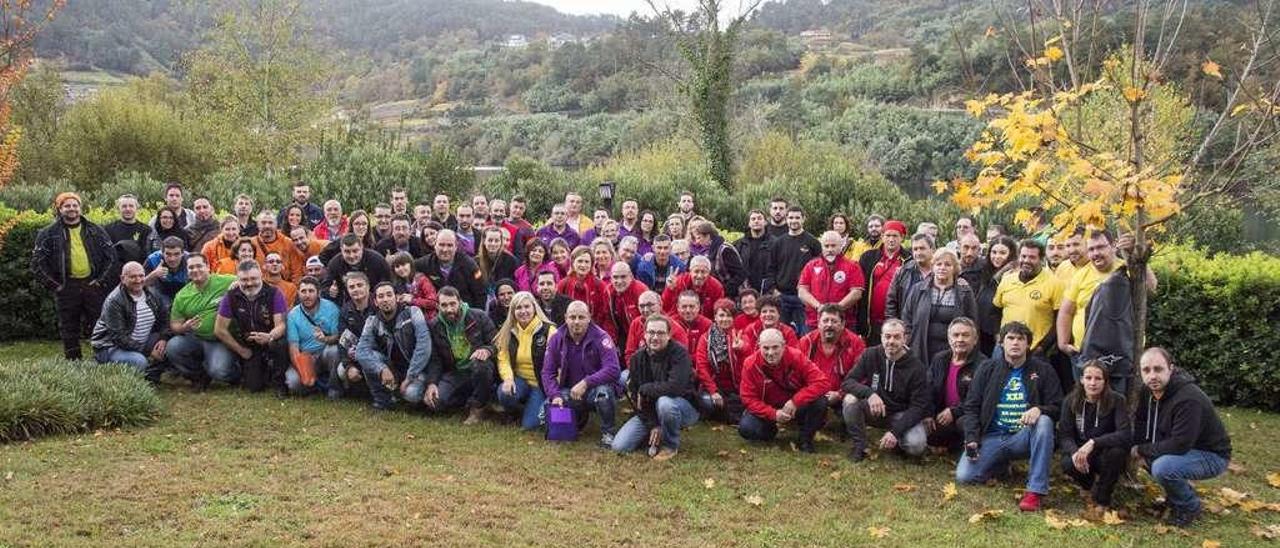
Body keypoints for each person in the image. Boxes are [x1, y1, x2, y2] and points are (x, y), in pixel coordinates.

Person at [956, 322, 1063, 513]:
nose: (1015, 343)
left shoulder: (1043, 370)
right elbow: (971, 407)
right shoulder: (987, 368)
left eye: (1020, 339)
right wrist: (971, 438)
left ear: (1028, 344)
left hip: (1023, 437)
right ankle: (1000, 465)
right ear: (1001, 343)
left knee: (1045, 421)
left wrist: (1040, 409)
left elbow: (1058, 406)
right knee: (964, 477)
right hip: (992, 436)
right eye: (1010, 338)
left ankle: (1035, 492)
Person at [1130, 347, 1232, 527]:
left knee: (1163, 467)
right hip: (1184, 449)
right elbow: (1142, 421)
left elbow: (1180, 445)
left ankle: (1189, 506)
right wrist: (1139, 446)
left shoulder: (1188, 399)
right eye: (1146, 370)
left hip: (1211, 455)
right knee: (1152, 459)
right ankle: (1176, 498)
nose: (1152, 376)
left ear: (1171, 368)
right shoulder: (1148, 392)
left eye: (1158, 369)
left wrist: (1141, 450)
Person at [32, 192, 117, 360]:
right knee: (69, 327)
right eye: (67, 206)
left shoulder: (95, 230)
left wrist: (100, 281)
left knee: (98, 324)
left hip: (92, 284)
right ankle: (73, 363)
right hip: (66, 285)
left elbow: (112, 257)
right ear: (59, 209)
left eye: (75, 205)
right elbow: (37, 264)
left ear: (80, 207)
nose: (72, 209)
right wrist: (55, 286)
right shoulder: (48, 233)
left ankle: (101, 360)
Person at [840, 319, 930, 462]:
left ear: (905, 338)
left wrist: (895, 432)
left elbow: (918, 407)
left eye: (896, 337)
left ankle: (897, 442)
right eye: (887, 336)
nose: (891, 341)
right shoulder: (870, 354)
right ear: (881, 336)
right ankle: (860, 446)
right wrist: (870, 394)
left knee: (916, 446)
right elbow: (848, 382)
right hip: (876, 410)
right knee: (849, 399)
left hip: (901, 414)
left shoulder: (917, 367)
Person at [613, 314, 699, 460]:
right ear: (644, 334)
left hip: (681, 407)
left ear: (669, 335)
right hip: (650, 412)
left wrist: (645, 388)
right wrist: (653, 424)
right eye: (651, 332)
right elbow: (636, 398)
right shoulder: (636, 359)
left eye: (660, 333)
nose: (655, 337)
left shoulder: (680, 354)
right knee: (620, 446)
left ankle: (670, 445)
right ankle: (656, 431)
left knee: (664, 402)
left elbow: (675, 388)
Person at [542, 301, 622, 447]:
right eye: (572, 317)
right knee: (548, 406)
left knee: (603, 394)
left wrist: (586, 383)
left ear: (589, 317)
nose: (576, 321)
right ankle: (576, 422)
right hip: (571, 391)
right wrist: (555, 395)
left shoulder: (602, 337)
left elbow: (613, 369)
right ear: (566, 318)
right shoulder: (556, 338)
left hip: (595, 390)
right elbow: (547, 372)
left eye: (581, 317)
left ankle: (608, 433)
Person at [738, 328, 829, 452]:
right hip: (768, 408)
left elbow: (822, 382)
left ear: (783, 345)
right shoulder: (750, 364)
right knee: (746, 428)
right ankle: (771, 431)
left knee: (820, 401)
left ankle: (805, 439)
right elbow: (748, 398)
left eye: (775, 347)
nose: (770, 352)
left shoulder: (796, 356)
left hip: (795, 406)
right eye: (766, 348)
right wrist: (773, 414)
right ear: (759, 346)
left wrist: (795, 401)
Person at [1057, 360, 1130, 512]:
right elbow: (1064, 435)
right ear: (1082, 379)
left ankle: (1103, 499)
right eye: (1088, 378)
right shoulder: (1070, 401)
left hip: (1104, 451)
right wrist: (1074, 451)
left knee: (1117, 453)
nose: (1093, 383)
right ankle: (1088, 484)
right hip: (1082, 451)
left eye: (1098, 378)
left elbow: (1125, 434)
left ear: (1105, 381)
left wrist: (1094, 443)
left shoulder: (1117, 400)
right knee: (1068, 463)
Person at [213, 260, 290, 395]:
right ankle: (259, 370)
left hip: (271, 339)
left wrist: (269, 337)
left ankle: (280, 383)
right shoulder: (231, 296)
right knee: (253, 387)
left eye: (253, 278)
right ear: (237, 278)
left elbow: (281, 325)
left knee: (279, 343)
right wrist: (241, 350)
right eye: (244, 280)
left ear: (261, 274)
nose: (249, 283)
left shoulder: (274, 293)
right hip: (249, 345)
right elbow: (219, 329)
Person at [423, 287, 498, 424]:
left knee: (480, 364)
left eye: (453, 304)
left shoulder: (478, 316)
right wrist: (432, 383)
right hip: (456, 371)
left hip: (479, 366)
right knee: (435, 403)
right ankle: (473, 400)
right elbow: (435, 359)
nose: (449, 309)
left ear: (460, 302)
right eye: (444, 305)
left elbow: (496, 342)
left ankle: (478, 408)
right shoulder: (434, 325)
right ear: (438, 306)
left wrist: (487, 350)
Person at [355, 282, 432, 410]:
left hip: (417, 370)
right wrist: (381, 369)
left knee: (411, 394)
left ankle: (414, 397)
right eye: (380, 296)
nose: (385, 299)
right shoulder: (372, 321)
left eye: (389, 295)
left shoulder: (413, 313)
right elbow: (361, 351)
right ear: (375, 301)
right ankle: (382, 401)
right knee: (370, 357)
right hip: (392, 369)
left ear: (397, 298)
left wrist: (410, 376)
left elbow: (424, 347)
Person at [166, 254, 238, 389]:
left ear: (208, 267)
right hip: (196, 338)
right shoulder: (182, 295)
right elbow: (174, 324)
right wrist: (183, 328)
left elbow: (249, 280)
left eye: (199, 266)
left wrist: (238, 283)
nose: (195, 270)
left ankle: (237, 373)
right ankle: (199, 376)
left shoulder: (225, 281)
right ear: (187, 271)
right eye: (191, 267)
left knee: (219, 371)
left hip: (220, 339)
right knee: (173, 346)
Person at [89, 262, 170, 377]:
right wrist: (148, 351)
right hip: (110, 346)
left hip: (140, 341)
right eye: (133, 277)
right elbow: (118, 337)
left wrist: (163, 338)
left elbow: (164, 319)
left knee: (170, 346)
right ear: (123, 278)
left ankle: (151, 374)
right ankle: (106, 369)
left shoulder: (152, 294)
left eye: (141, 276)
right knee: (139, 361)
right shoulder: (114, 301)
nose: (138, 280)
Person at [993, 239, 1064, 369]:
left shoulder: (1054, 283)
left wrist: (1042, 347)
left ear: (1041, 260)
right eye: (1023, 256)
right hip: (1004, 349)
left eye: (1032, 257)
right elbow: (996, 310)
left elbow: (1059, 320)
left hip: (1035, 352)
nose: (1026, 260)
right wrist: (999, 336)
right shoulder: (1007, 280)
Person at [900, 248, 977, 362]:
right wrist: (909, 343)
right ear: (933, 267)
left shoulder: (964, 292)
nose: (942, 268)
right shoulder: (918, 289)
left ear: (955, 268)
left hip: (952, 352)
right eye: (938, 264)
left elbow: (973, 323)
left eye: (947, 265)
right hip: (921, 349)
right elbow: (907, 318)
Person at [495, 291, 557, 430]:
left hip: (541, 385)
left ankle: (531, 407)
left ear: (534, 308)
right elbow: (502, 359)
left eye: (527, 307)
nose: (523, 311)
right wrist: (508, 379)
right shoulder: (508, 331)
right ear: (513, 311)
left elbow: (556, 364)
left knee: (530, 425)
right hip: (520, 381)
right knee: (504, 393)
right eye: (518, 308)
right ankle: (514, 412)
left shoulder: (549, 330)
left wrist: (554, 391)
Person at [925, 317, 987, 450]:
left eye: (965, 335)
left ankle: (971, 448)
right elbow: (928, 389)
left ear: (975, 340)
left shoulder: (984, 364)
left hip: (968, 417)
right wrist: (928, 413)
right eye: (956, 335)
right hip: (942, 417)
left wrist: (954, 412)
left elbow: (979, 400)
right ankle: (953, 445)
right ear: (949, 339)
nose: (960, 339)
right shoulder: (939, 359)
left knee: (963, 423)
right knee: (925, 433)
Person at [798, 304, 866, 421]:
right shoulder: (806, 342)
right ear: (818, 323)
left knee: (852, 402)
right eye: (825, 321)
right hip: (812, 395)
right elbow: (795, 374)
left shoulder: (856, 343)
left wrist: (840, 394)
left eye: (834, 321)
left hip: (843, 395)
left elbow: (862, 376)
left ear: (843, 324)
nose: (829, 325)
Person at [798, 230, 865, 332]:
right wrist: (819, 306)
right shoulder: (811, 265)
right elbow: (802, 291)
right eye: (826, 246)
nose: (830, 249)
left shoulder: (853, 266)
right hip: (814, 321)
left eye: (833, 246)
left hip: (844, 322)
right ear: (822, 247)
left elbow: (856, 293)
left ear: (841, 246)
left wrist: (837, 309)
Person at [769, 206, 821, 335]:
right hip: (782, 296)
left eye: (797, 217)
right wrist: (774, 290)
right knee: (780, 335)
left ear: (803, 219)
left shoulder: (812, 242)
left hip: (804, 298)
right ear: (786, 219)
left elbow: (820, 270)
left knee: (806, 335)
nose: (794, 220)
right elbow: (771, 268)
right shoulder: (778, 243)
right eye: (791, 217)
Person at [285, 277, 341, 395]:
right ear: (298, 293)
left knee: (334, 351)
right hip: (307, 356)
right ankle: (316, 384)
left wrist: (324, 339)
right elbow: (293, 347)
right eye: (303, 291)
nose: (307, 295)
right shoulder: (293, 315)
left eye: (311, 291)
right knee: (293, 383)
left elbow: (337, 337)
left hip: (325, 351)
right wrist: (302, 368)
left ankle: (334, 388)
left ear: (318, 292)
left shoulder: (331, 308)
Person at [694, 298, 745, 424]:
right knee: (708, 402)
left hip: (735, 387)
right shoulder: (705, 338)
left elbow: (747, 354)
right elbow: (701, 367)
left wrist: (740, 349)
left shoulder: (739, 335)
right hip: (713, 385)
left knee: (742, 401)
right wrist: (713, 391)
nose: (725, 319)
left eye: (729, 315)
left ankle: (728, 412)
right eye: (721, 315)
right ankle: (729, 412)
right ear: (715, 317)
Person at [857, 219, 908, 343]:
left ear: (902, 238)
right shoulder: (868, 257)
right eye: (888, 235)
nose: (891, 239)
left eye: (895, 236)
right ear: (882, 237)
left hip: (896, 319)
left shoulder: (908, 259)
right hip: (871, 320)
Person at [414, 230, 486, 309]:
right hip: (434, 313)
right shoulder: (422, 265)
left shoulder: (470, 266)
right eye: (441, 245)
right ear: (435, 245)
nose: (445, 250)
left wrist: (475, 318)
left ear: (456, 246)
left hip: (463, 313)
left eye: (449, 245)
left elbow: (480, 295)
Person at [332, 273, 374, 399]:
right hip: (355, 354)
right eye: (351, 287)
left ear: (368, 287)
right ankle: (337, 389)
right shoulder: (345, 310)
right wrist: (348, 366)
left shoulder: (379, 304)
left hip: (378, 354)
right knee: (341, 370)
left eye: (359, 285)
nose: (356, 289)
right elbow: (343, 341)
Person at [623, 290, 689, 367]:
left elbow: (681, 358)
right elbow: (629, 354)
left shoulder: (675, 328)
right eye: (642, 306)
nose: (646, 310)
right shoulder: (635, 324)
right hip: (640, 370)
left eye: (650, 305)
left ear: (660, 305)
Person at [976, 236, 1016, 354]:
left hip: (999, 333)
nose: (997, 256)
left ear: (1011, 253)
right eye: (994, 252)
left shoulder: (1013, 275)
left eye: (1002, 253)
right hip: (982, 330)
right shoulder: (986, 272)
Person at [557, 247, 610, 330]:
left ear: (592, 264)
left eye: (587, 262)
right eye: (580, 261)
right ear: (572, 263)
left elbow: (605, 314)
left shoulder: (600, 285)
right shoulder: (563, 284)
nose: (583, 265)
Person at [885, 233, 935, 321]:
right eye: (915, 249)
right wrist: (894, 324)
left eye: (922, 248)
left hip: (932, 326)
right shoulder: (903, 272)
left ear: (932, 249)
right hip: (907, 327)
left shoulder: (941, 271)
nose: (918, 252)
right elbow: (891, 302)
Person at [689, 221, 745, 297]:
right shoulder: (712, 250)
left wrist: (724, 289)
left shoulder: (725, 250)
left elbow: (740, 274)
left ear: (708, 236)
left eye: (699, 238)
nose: (697, 241)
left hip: (728, 295)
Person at [661, 255, 724, 320]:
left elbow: (718, 312)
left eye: (703, 272)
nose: (699, 276)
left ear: (709, 273)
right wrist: (670, 290)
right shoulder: (679, 282)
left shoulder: (716, 287)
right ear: (690, 271)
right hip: (679, 321)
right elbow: (665, 307)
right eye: (696, 271)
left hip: (705, 323)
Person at [605, 261, 647, 351]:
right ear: (611, 278)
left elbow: (648, 319)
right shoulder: (608, 292)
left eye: (623, 277)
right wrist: (612, 342)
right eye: (615, 277)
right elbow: (608, 321)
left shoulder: (640, 291)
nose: (619, 281)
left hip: (640, 335)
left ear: (631, 276)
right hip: (621, 334)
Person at [252, 211, 304, 282]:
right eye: (263, 223)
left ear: (276, 225)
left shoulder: (288, 243)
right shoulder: (251, 244)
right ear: (258, 225)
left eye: (270, 223)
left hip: (284, 287)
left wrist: (293, 288)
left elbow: (296, 270)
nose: (267, 226)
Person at [104, 194, 152, 267]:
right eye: (124, 206)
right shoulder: (108, 229)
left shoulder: (146, 230)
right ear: (118, 209)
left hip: (139, 272)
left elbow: (147, 255)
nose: (128, 209)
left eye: (131, 206)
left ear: (137, 208)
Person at [733, 210, 773, 294]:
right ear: (749, 223)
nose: (756, 221)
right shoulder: (739, 244)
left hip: (768, 290)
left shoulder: (775, 243)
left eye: (759, 218)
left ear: (765, 222)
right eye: (753, 219)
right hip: (745, 290)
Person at [143, 236, 190, 302]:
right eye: (168, 254)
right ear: (162, 253)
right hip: (160, 294)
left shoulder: (191, 261)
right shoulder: (152, 260)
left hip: (185, 292)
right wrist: (154, 275)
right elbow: (139, 285)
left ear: (182, 253)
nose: (172, 259)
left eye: (176, 254)